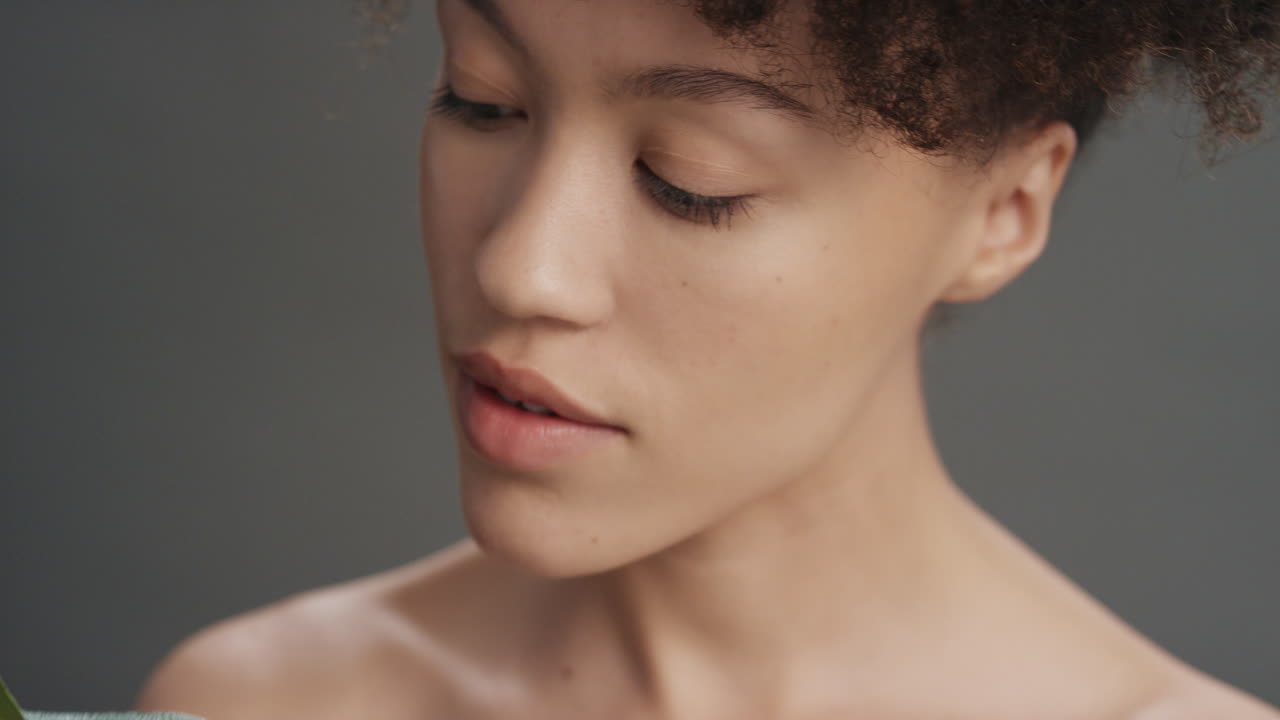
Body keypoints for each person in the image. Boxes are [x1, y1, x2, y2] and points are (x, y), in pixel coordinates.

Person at [135, 0, 1280, 717]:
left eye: (689, 181)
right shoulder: (258, 702)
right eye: (480, 100)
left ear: (1003, 211)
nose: (521, 270)